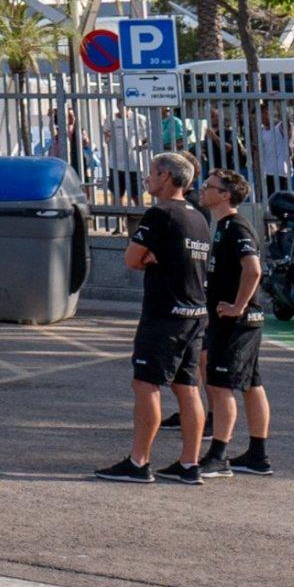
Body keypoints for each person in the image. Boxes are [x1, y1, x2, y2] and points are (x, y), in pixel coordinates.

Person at [97, 152, 212, 485]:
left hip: (165, 314)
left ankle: (138, 462)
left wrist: (150, 259)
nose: (147, 179)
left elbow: (132, 259)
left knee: (146, 384)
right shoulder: (198, 216)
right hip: (194, 313)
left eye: (151, 173)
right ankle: (190, 464)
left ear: (165, 176)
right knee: (188, 388)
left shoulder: (160, 214)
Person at [198, 170, 274, 476]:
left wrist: (237, 306)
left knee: (220, 384)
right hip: (242, 321)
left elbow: (253, 270)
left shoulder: (235, 226)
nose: (203, 190)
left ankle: (218, 455)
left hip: (237, 322)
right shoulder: (223, 226)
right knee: (251, 384)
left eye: (210, 187)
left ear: (226, 195)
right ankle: (258, 454)